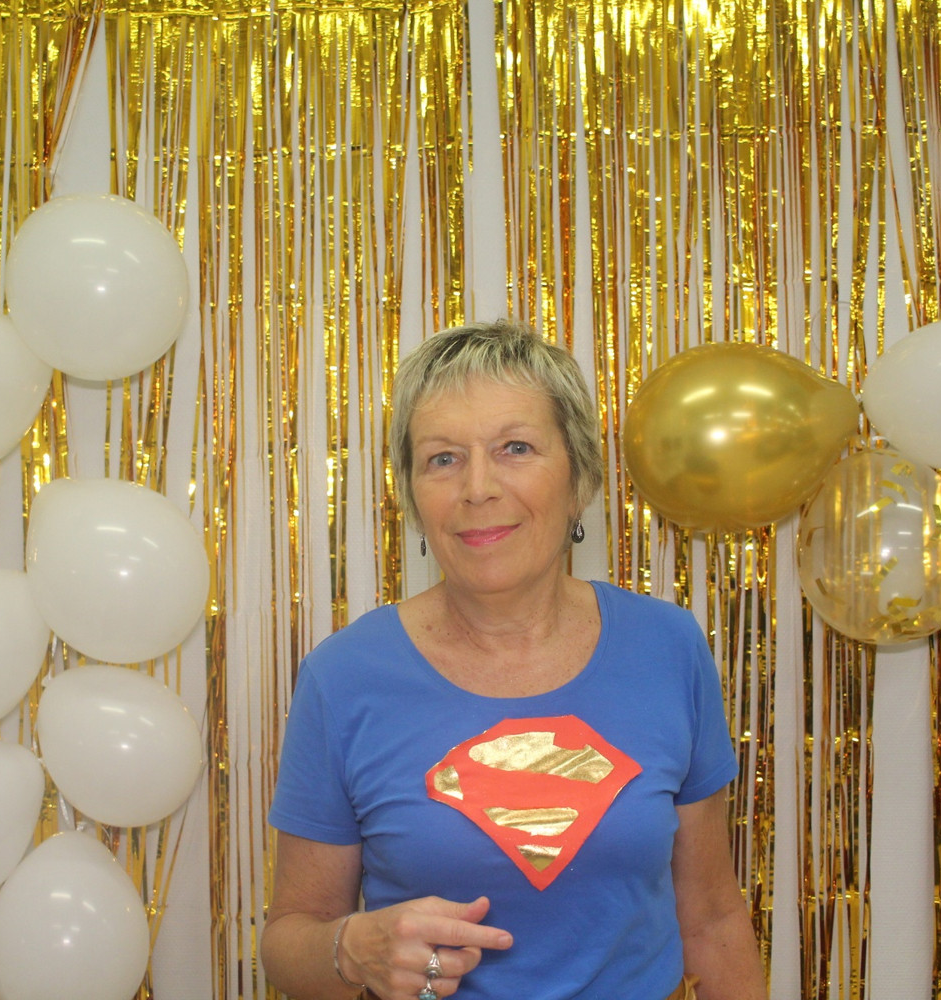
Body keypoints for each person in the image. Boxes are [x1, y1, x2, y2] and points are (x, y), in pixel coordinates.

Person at [260, 321, 767, 1000]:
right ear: (413, 496)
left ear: (579, 476)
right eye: (443, 458)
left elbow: (712, 916)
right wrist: (351, 949)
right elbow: (289, 943)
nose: (478, 488)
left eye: (516, 448)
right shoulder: (343, 677)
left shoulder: (669, 646)